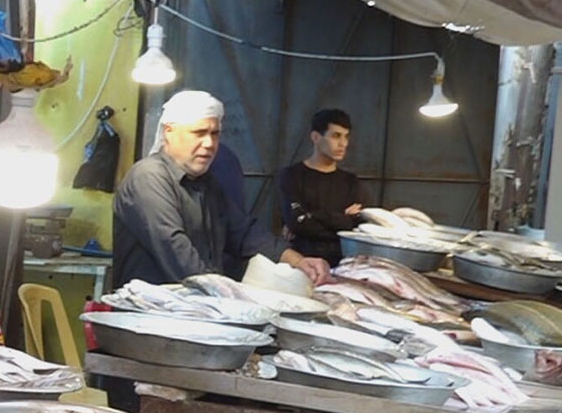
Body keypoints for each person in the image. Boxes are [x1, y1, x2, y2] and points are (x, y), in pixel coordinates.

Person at [111, 90, 330, 288]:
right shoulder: (148, 178)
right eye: (199, 133)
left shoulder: (207, 183)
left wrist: (298, 261)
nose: (209, 143)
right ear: (169, 132)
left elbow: (243, 232)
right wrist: (232, 298)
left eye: (214, 134)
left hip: (196, 309)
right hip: (149, 318)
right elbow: (175, 250)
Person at [277, 108, 372, 265]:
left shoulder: (352, 183)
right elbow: (297, 223)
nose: (343, 143)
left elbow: (359, 229)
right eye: (336, 136)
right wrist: (342, 219)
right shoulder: (291, 175)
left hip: (341, 266)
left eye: (346, 136)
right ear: (315, 137)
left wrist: (311, 215)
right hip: (301, 265)